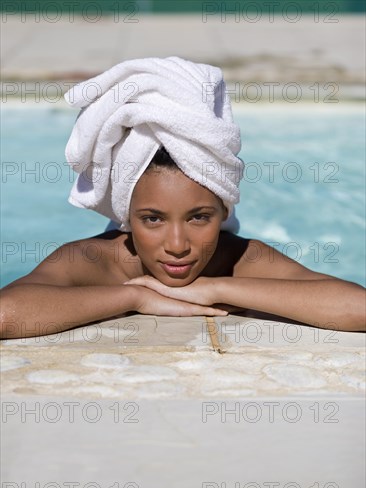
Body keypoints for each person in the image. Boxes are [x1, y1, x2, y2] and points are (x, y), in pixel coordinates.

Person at [1, 58, 365, 338]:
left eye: (198, 217)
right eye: (153, 219)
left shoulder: (238, 260)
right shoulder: (95, 261)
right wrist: (135, 297)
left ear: (224, 210)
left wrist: (215, 288)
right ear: (126, 213)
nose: (177, 246)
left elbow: (358, 308)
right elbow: (6, 314)